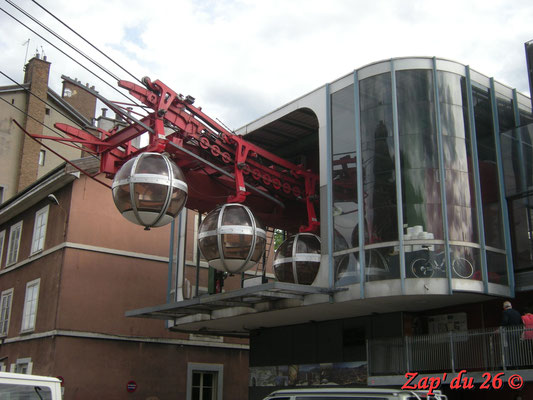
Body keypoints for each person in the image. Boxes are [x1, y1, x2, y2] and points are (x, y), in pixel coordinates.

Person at [501, 301, 523, 368]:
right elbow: (521, 322)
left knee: (511, 348)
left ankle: (513, 364)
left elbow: (505, 321)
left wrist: (502, 327)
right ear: (511, 306)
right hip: (517, 331)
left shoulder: (505, 312)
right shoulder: (517, 312)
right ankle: (519, 363)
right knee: (517, 348)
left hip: (510, 332)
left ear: (504, 307)